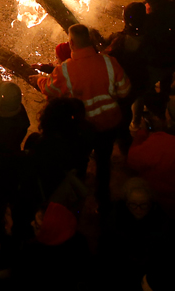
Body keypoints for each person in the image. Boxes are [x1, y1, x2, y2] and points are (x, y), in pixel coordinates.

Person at [38, 24, 131, 203]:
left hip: (83, 128)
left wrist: (39, 80)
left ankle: (78, 200)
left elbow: (50, 89)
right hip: (110, 124)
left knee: (80, 163)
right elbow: (125, 90)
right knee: (104, 162)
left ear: (71, 43)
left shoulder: (65, 70)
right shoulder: (109, 62)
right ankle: (103, 200)